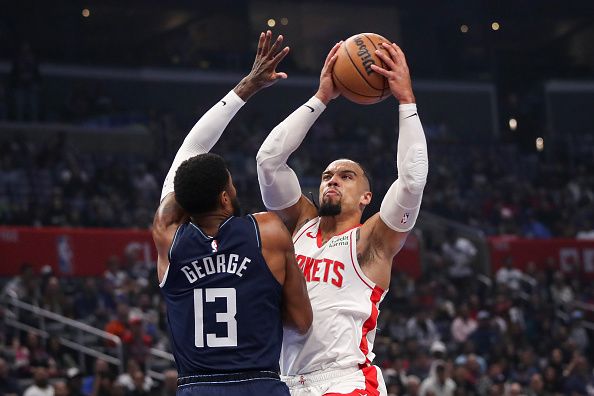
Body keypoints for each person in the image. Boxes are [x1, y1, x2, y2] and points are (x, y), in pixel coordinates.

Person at [256, 41, 428, 395]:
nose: (332, 179)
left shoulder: (372, 241)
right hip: (286, 381)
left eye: (346, 176)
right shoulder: (301, 222)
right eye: (326, 176)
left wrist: (406, 100)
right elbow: (269, 162)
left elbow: (412, 180)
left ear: (367, 197)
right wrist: (321, 98)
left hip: (345, 380)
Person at [152, 31, 312, 396]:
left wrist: (243, 88)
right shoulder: (268, 230)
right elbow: (301, 323)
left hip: (199, 387)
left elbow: (191, 150)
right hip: (260, 384)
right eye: (231, 185)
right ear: (225, 199)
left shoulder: (167, 235)